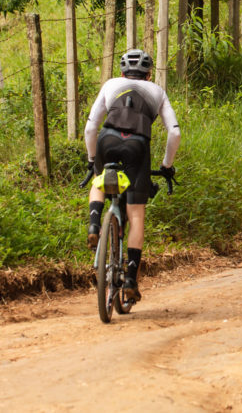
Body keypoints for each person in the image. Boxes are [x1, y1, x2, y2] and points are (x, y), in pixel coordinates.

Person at [84, 48, 180, 303]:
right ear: (149, 75)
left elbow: (91, 127)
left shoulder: (110, 85)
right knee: (136, 215)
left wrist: (92, 159)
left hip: (107, 139)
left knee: (98, 181)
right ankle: (130, 280)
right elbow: (174, 133)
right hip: (138, 146)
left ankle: (94, 224)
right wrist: (166, 165)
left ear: (122, 72)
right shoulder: (157, 92)